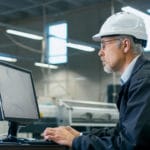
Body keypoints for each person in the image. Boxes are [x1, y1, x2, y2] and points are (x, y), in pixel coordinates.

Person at [42, 12, 150, 149]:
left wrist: (75, 142)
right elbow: (121, 133)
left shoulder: (144, 82)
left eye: (104, 45)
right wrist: (80, 136)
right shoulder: (137, 79)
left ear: (125, 45)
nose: (100, 52)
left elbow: (130, 145)